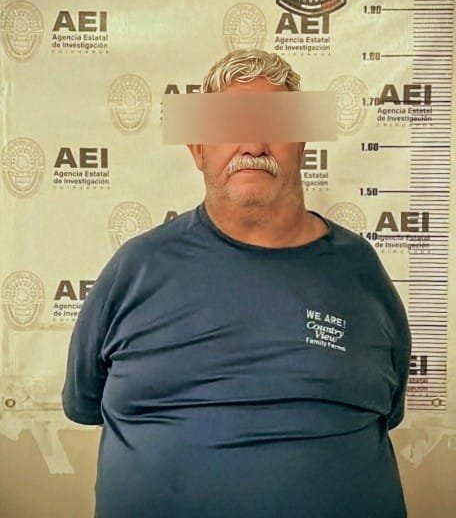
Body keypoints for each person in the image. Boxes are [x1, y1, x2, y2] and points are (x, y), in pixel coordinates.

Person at [62, 49, 411, 517]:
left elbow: (389, 406)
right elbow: (84, 403)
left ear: (302, 143)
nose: (252, 144)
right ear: (197, 148)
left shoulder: (359, 271)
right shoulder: (136, 268)